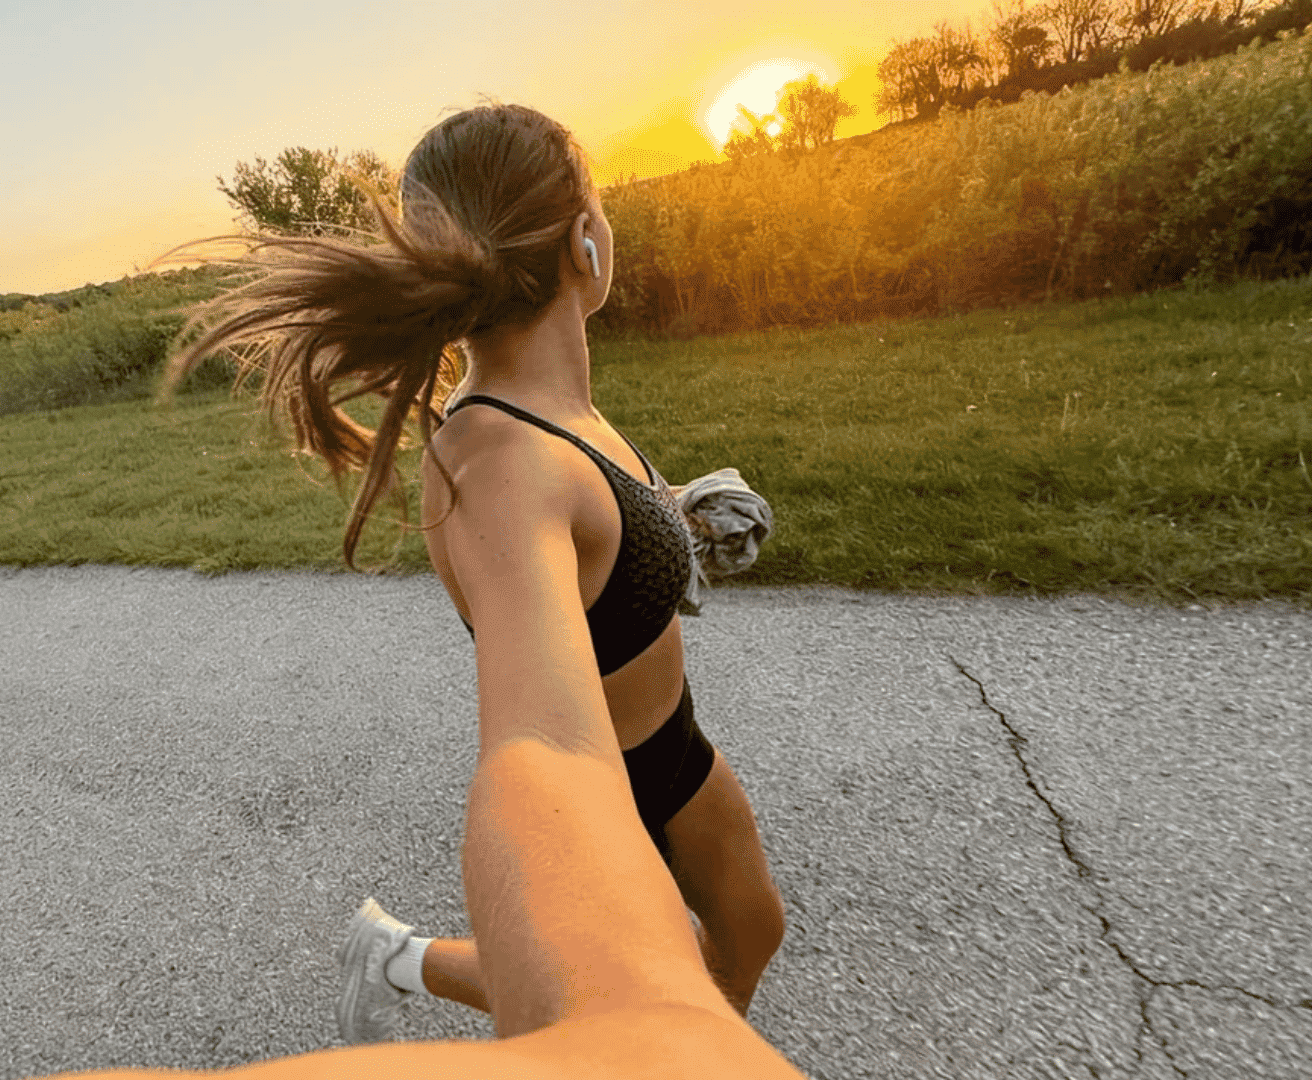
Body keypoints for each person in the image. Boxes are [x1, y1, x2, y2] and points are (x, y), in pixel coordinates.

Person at [60, 102, 796, 1079]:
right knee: (658, 983)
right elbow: (539, 748)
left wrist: (678, 516)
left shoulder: (555, 405)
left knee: (751, 929)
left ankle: (415, 959)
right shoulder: (496, 459)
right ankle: (517, 992)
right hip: (613, 785)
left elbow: (599, 531)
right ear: (585, 237)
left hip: (675, 744)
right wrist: (644, 1039)